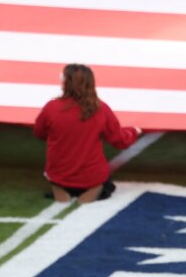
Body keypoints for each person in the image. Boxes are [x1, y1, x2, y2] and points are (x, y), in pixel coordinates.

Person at [33, 63, 138, 203]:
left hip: (58, 175)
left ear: (65, 83)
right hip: (91, 177)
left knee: (59, 181)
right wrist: (134, 131)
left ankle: (61, 190)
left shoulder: (51, 108)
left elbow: (39, 133)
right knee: (103, 184)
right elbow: (119, 140)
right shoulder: (101, 109)